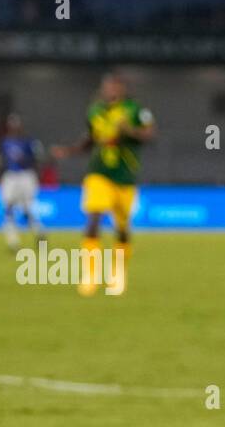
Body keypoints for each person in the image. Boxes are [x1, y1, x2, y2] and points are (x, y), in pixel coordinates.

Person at [51, 72, 155, 296]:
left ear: (122, 88)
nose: (111, 90)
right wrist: (69, 150)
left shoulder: (136, 110)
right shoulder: (95, 110)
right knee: (93, 219)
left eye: (115, 87)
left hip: (125, 176)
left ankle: (118, 274)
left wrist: (130, 131)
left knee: (122, 229)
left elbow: (149, 135)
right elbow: (90, 139)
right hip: (99, 173)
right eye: (107, 86)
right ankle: (90, 275)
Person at [0, 113, 45, 249]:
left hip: (26, 176)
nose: (14, 128)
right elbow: (1, 160)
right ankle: (13, 241)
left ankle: (39, 232)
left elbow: (38, 159)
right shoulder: (5, 142)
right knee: (8, 207)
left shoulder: (28, 142)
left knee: (27, 209)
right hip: (11, 176)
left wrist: (32, 168)